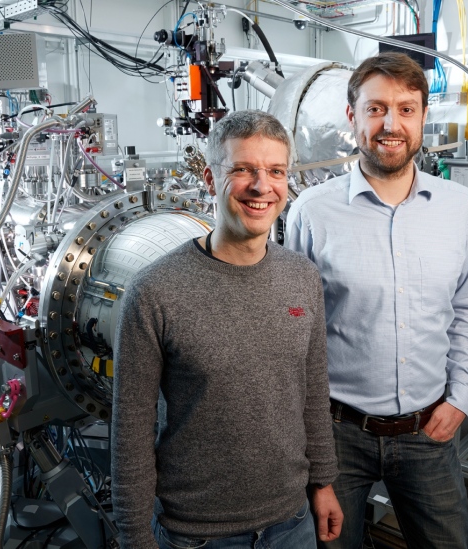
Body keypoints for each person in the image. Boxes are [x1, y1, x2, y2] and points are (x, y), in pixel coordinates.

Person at [111, 109, 343, 549]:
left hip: (291, 523)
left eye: (275, 171)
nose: (262, 186)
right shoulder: (155, 290)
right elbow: (131, 434)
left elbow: (313, 391)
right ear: (210, 178)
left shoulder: (302, 277)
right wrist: (136, 537)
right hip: (196, 534)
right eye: (243, 169)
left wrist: (324, 483)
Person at [286, 52, 468, 549]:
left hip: (430, 429)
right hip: (337, 434)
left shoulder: (457, 207)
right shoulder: (312, 212)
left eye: (405, 108)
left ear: (422, 117)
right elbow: (293, 329)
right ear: (352, 115)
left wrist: (461, 395)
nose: (390, 124)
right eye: (375, 108)